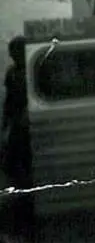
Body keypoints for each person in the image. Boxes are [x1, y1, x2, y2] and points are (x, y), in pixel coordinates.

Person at [2, 36, 33, 231]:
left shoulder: (28, 72)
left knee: (19, 165)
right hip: (18, 126)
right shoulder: (15, 73)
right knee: (15, 164)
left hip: (24, 126)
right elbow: (9, 101)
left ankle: (22, 207)